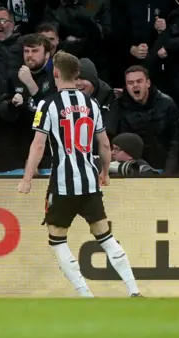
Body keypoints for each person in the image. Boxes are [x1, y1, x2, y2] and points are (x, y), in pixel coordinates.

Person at [17, 51, 141, 298]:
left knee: (58, 238)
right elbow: (105, 144)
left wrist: (27, 178)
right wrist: (105, 173)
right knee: (105, 236)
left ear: (55, 73)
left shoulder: (48, 104)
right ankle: (133, 290)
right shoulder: (91, 104)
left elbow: (38, 145)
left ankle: (85, 294)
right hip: (89, 181)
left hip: (63, 184)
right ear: (77, 75)